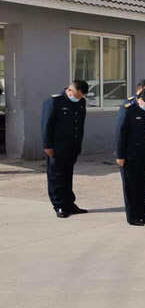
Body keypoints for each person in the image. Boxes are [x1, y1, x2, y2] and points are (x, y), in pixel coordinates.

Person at [41, 80, 89, 218]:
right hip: (57, 147)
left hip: (72, 146)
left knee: (67, 176)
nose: (80, 98)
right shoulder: (54, 101)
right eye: (78, 95)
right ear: (70, 90)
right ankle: (59, 205)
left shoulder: (81, 102)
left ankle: (69, 204)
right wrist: (47, 145)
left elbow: (80, 125)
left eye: (82, 96)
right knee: (56, 177)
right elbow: (46, 124)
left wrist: (78, 144)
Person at [115, 87, 145, 226]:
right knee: (131, 187)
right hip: (130, 155)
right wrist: (120, 155)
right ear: (140, 99)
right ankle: (133, 217)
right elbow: (120, 133)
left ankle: (144, 215)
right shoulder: (128, 109)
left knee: (144, 185)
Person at [124, 79, 145, 201]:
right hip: (133, 149)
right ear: (139, 89)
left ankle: (144, 193)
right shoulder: (129, 105)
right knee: (134, 178)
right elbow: (122, 131)